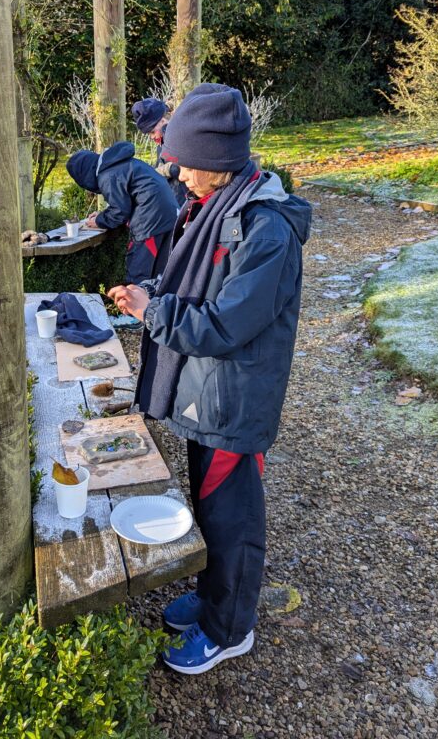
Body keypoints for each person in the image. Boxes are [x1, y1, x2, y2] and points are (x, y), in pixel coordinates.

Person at [109, 83, 311, 675]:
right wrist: (153, 294)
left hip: (235, 399)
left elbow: (225, 324)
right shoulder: (212, 204)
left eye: (184, 160)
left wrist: (154, 313)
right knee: (205, 500)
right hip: (205, 390)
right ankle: (212, 592)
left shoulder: (264, 229)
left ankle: (230, 628)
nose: (176, 170)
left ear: (218, 160)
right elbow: (192, 288)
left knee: (232, 515)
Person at [66, 141, 178, 284]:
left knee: (138, 272)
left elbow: (119, 212)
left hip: (151, 219)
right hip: (169, 214)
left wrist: (99, 221)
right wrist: (102, 214)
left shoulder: (107, 175)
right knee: (159, 273)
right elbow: (127, 199)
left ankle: (137, 304)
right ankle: (156, 302)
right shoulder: (121, 164)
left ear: (84, 175)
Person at [131, 96, 188, 205]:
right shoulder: (162, 143)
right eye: (149, 134)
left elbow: (178, 166)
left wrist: (159, 171)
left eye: (152, 132)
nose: (151, 137)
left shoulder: (179, 136)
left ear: (163, 121)